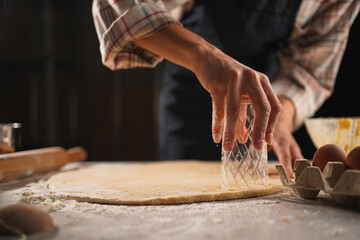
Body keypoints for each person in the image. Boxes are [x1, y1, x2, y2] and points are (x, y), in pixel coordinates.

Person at [92, 0, 359, 177]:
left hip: (263, 104)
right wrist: (204, 55)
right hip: (191, 101)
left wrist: (280, 117)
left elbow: (309, 69)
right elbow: (123, 5)